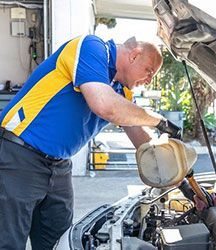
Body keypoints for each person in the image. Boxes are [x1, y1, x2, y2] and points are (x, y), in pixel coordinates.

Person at [0, 35, 181, 249]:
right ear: (134, 55)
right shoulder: (91, 48)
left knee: (58, 242)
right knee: (8, 241)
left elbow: (140, 137)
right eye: (149, 71)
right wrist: (159, 121)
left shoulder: (121, 89)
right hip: (19, 157)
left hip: (59, 166)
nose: (149, 80)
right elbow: (105, 106)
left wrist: (179, 177)